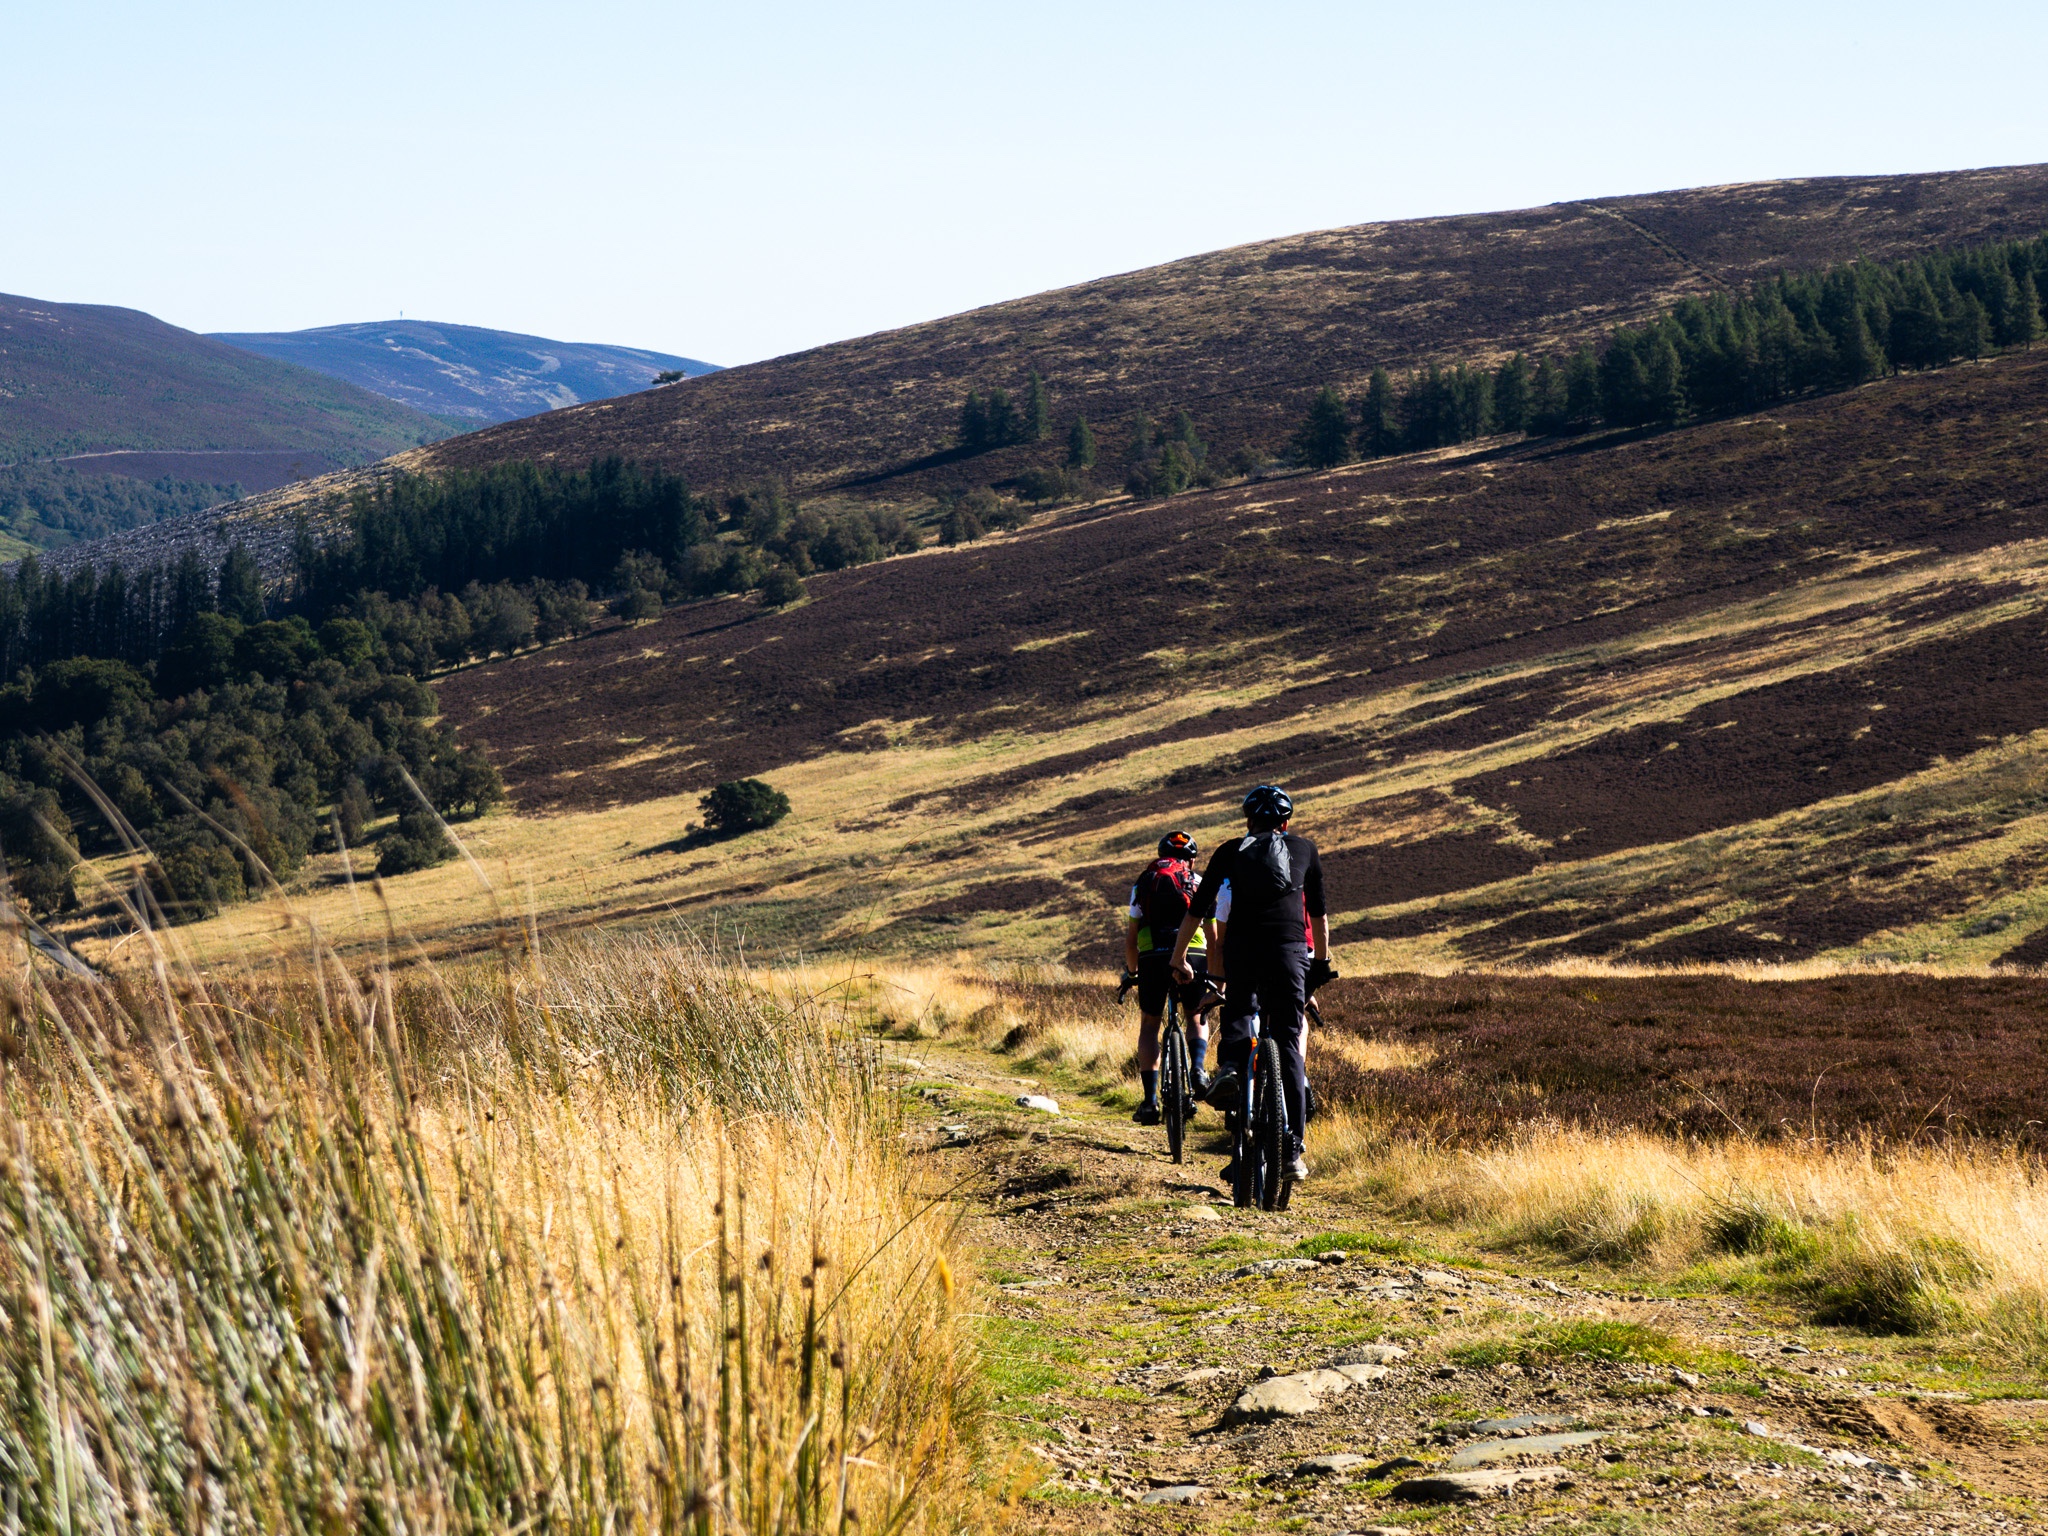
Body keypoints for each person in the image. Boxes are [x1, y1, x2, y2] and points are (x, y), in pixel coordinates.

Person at [1169, 785, 1328, 1181]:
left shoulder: (1229, 851)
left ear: (1248, 821)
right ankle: (1293, 1149)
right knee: (1289, 1043)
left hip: (1243, 951)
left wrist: (1178, 956)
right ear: (1285, 824)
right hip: (1290, 952)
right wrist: (1321, 963)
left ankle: (1232, 1068)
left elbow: (1198, 909)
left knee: (1240, 1010)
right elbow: (1319, 913)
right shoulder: (1305, 849)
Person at [1123, 830, 1218, 1125]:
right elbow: (1214, 936)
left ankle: (1150, 1102)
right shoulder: (1199, 883)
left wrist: (1132, 971)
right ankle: (1198, 1070)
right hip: (1194, 953)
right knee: (1196, 1015)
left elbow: (1131, 937)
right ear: (1192, 860)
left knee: (1150, 1025)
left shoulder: (1143, 882)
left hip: (1152, 956)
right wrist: (1216, 973)